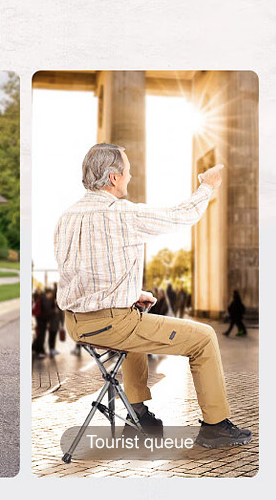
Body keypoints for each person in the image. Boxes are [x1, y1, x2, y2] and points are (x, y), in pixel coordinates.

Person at [53, 143, 252, 452]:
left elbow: (81, 273)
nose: (130, 177)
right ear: (114, 178)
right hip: (113, 324)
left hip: (77, 325)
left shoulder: (66, 217)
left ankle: (138, 419)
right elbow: (182, 216)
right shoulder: (122, 214)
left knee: (136, 331)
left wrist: (131, 294)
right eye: (128, 172)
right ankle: (215, 427)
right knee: (204, 338)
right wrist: (207, 186)